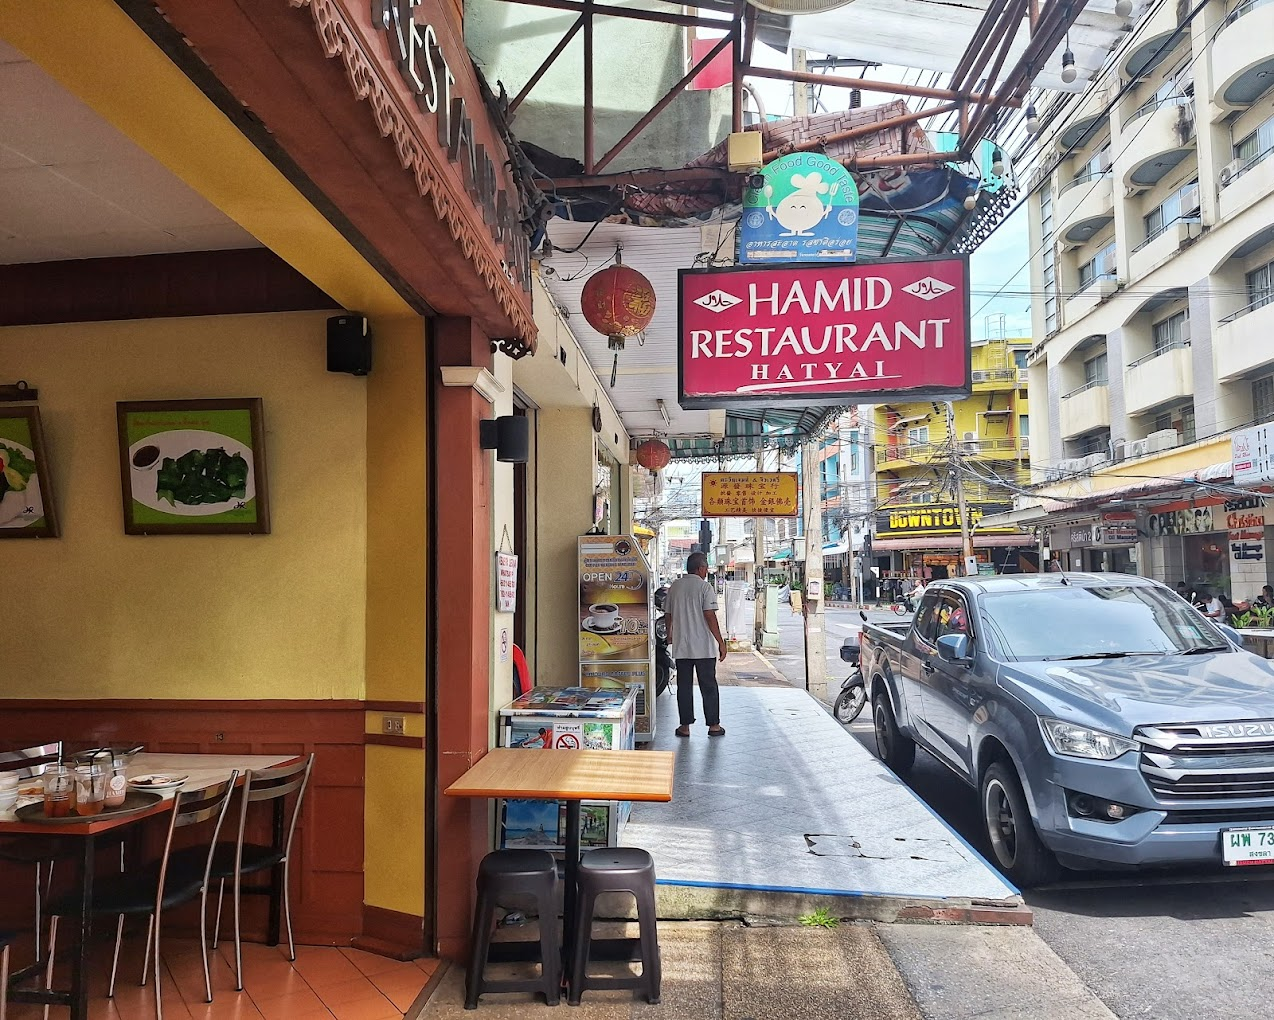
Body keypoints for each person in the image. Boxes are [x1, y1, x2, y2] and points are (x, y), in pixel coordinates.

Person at [665, 551, 728, 738]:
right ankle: (713, 725)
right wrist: (721, 642)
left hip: (682, 646)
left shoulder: (675, 587)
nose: (707, 570)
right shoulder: (704, 587)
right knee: (708, 686)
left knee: (684, 687)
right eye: (706, 567)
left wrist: (670, 634)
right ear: (700, 568)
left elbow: (668, 614)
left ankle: (684, 727)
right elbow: (710, 616)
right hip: (704, 648)